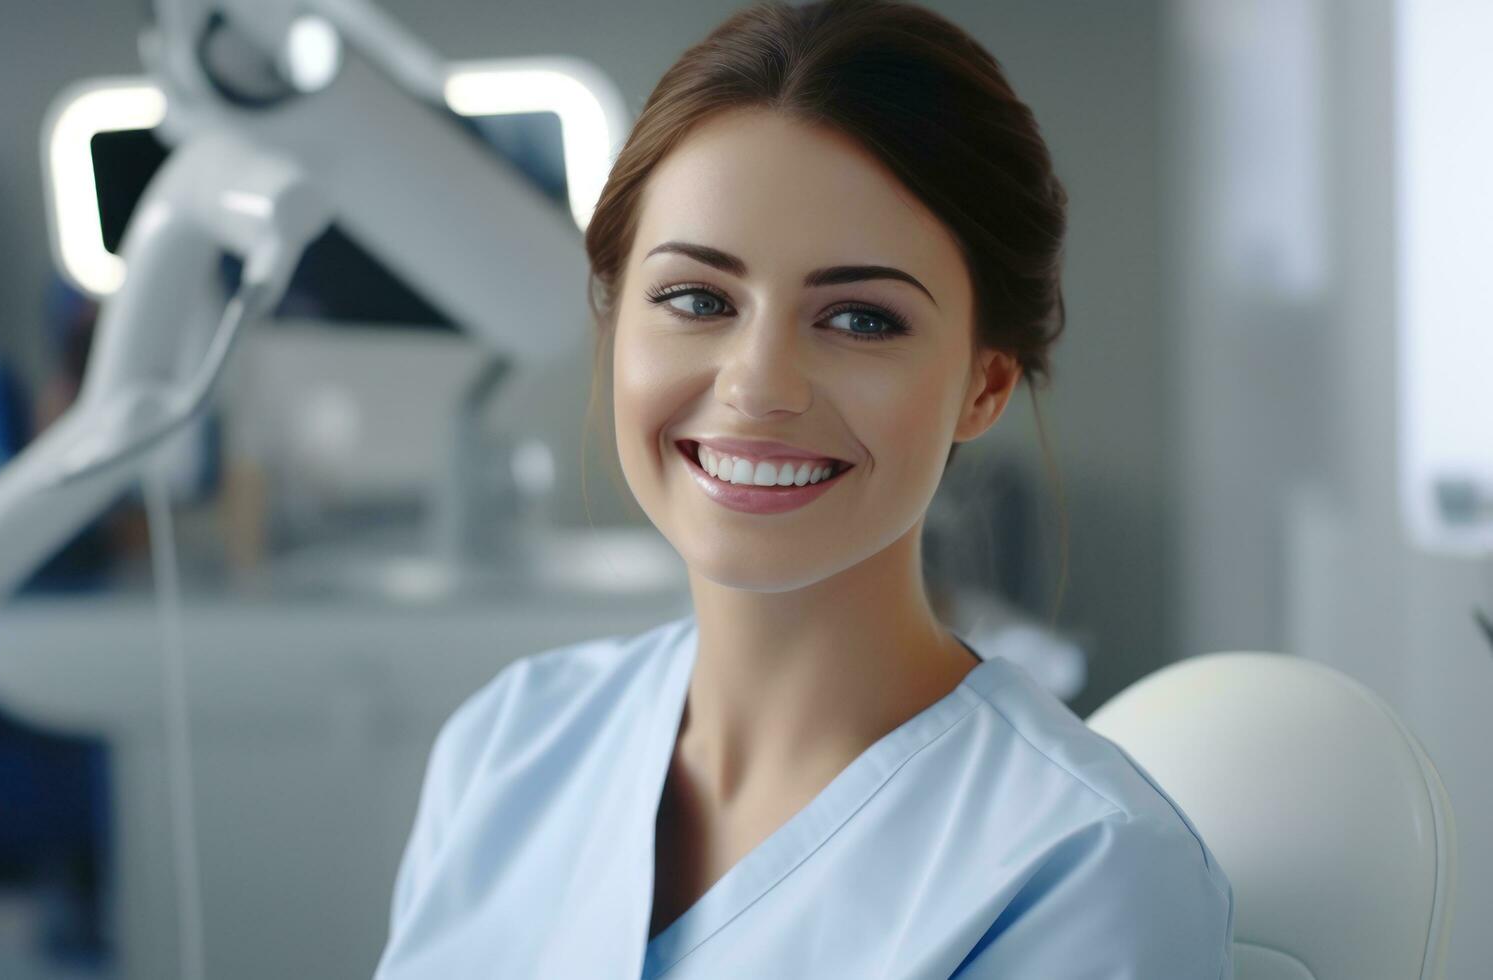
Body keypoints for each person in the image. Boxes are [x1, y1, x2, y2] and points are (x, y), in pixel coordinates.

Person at [373, 2, 1234, 978]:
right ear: (616, 320)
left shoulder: (1083, 870)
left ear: (984, 384)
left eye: (861, 318)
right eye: (698, 299)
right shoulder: (506, 745)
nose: (758, 384)